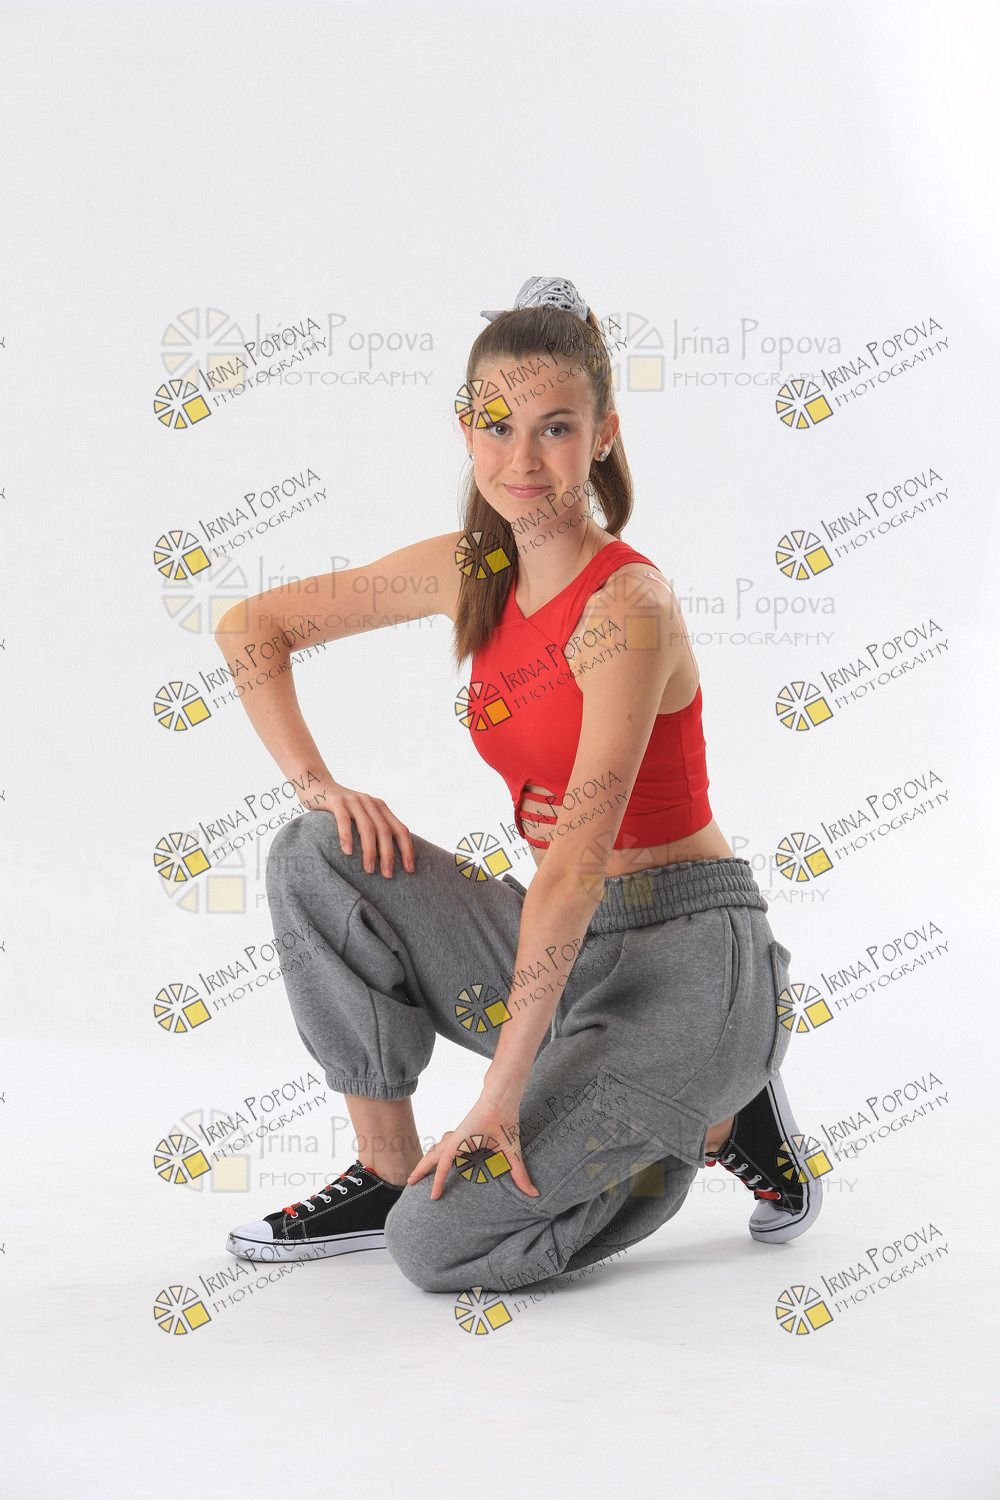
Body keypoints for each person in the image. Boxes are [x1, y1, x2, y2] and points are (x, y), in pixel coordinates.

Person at [218, 275, 822, 1295]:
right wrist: (319, 786)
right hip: (570, 945)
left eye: (555, 429)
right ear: (466, 428)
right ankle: (383, 1166)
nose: (522, 459)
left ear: (601, 436)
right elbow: (252, 627)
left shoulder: (625, 606)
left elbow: (575, 865)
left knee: (435, 1246)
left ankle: (713, 1112)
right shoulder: (469, 568)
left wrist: (499, 1097)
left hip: (682, 955)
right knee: (315, 852)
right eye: (498, 426)